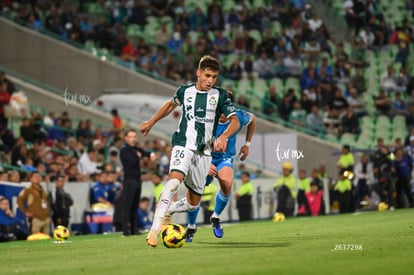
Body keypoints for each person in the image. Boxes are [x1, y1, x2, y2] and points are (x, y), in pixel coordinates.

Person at [140, 55, 239, 247]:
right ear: (198, 73)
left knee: (193, 203)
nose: (210, 81)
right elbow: (170, 105)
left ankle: (170, 210)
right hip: (183, 144)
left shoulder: (220, 95)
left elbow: (234, 120)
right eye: (207, 75)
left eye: (214, 77)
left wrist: (224, 136)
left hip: (204, 153)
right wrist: (151, 122)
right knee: (174, 182)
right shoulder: (184, 91)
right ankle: (154, 230)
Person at [182, 107, 256, 241]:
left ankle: (215, 217)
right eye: (219, 111)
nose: (222, 115)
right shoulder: (207, 118)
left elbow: (253, 119)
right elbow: (193, 141)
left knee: (227, 184)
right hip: (204, 157)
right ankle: (191, 226)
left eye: (225, 113)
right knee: (194, 192)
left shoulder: (238, 117)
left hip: (224, 158)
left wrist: (247, 144)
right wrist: (206, 163)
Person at [118, 129, 156, 236]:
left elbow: (145, 153)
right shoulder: (124, 150)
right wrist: (139, 157)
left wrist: (151, 154)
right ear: (126, 138)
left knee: (135, 204)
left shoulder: (135, 148)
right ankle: (125, 230)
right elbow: (132, 161)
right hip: (129, 180)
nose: (133, 139)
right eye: (130, 137)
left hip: (137, 179)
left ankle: (134, 229)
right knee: (128, 205)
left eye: (134, 137)